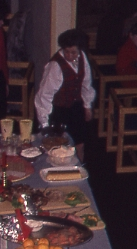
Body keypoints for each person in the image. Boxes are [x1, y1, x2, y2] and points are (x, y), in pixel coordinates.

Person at [35, 28, 96, 162]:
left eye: (73, 52)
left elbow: (86, 83)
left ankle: (79, 170)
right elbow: (44, 96)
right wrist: (45, 124)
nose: (69, 56)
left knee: (80, 143)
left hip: (75, 107)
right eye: (66, 52)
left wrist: (87, 106)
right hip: (59, 109)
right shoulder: (55, 66)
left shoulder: (82, 58)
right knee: (59, 147)